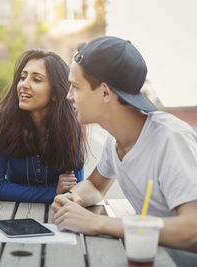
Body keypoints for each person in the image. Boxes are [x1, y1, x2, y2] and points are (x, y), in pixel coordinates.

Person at [51, 36, 197, 266]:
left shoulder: (171, 139)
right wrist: (74, 198)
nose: (68, 96)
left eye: (76, 87)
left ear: (106, 93)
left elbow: (193, 229)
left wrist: (97, 223)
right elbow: (96, 186)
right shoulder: (115, 138)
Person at [0, 49, 85, 203]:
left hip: (57, 215)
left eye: (36, 80)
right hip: (11, 214)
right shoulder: (5, 119)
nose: (24, 85)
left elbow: (74, 190)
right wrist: (53, 192)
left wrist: (61, 193)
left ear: (54, 92)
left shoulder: (71, 123)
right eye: (23, 77)